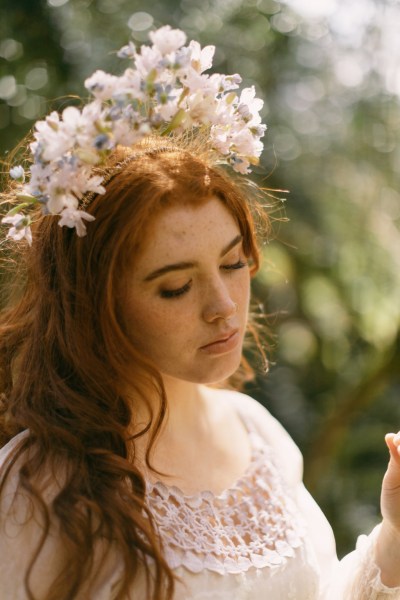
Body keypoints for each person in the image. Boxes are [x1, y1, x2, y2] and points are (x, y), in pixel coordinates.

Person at [0, 25, 399, 600]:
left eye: (234, 263)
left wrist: (395, 535)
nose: (223, 306)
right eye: (176, 287)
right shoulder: (36, 490)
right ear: (96, 303)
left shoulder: (260, 435)